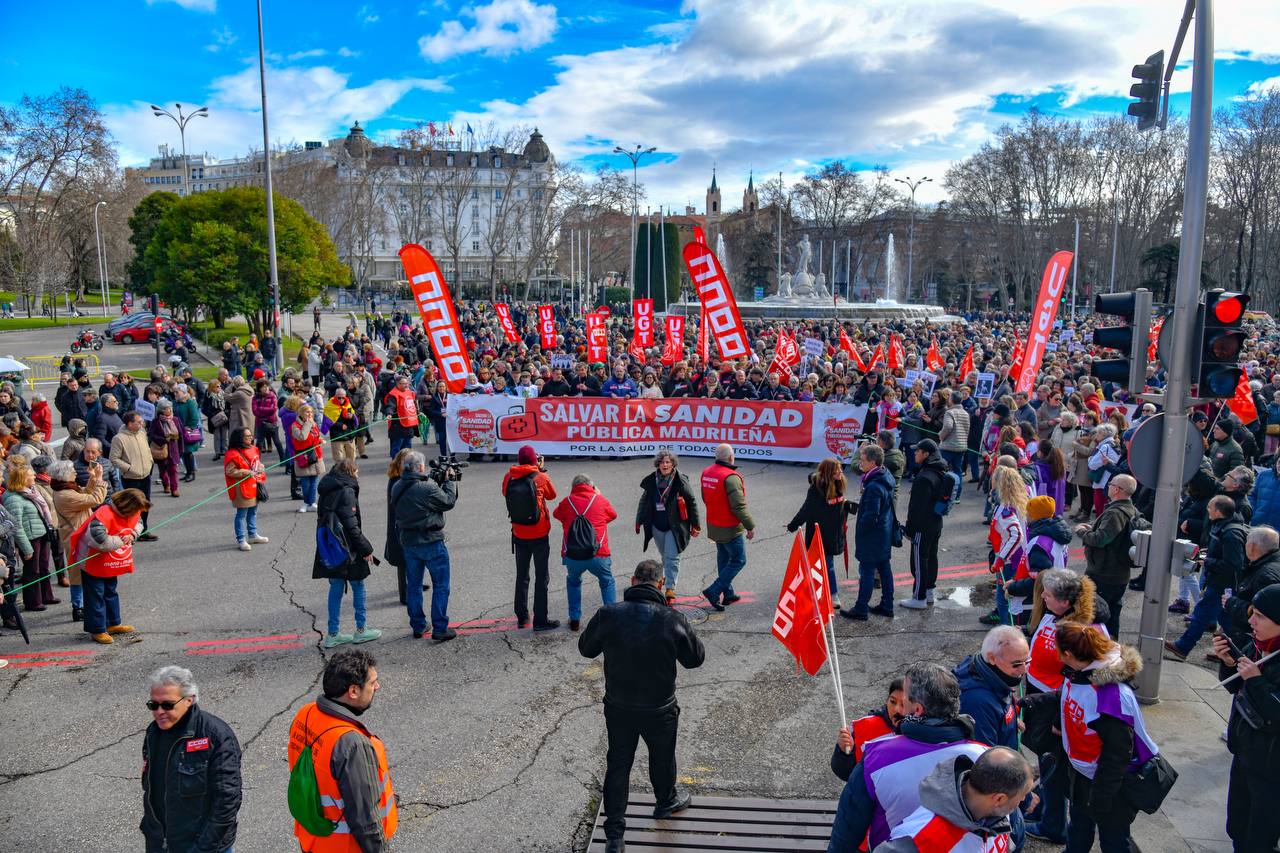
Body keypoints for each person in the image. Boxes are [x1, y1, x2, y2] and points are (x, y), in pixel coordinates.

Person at [578, 559, 706, 853]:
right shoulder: (671, 618)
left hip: (619, 705)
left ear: (633, 581)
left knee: (618, 764)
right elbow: (695, 659)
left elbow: (586, 649)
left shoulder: (608, 614)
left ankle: (614, 837)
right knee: (662, 757)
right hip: (659, 707)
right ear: (661, 585)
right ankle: (664, 802)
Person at [827, 662, 987, 853]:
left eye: (906, 700)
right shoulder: (986, 757)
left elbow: (848, 827)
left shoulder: (876, 758)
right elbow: (1010, 826)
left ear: (917, 710)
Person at [1045, 622, 1159, 853]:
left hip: (1109, 782)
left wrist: (1101, 796)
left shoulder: (1110, 697)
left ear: (1067, 655)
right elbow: (1069, 696)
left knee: (1114, 840)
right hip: (1085, 773)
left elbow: (1118, 754)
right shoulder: (1081, 672)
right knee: (1079, 826)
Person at [287, 649, 397, 853]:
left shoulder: (306, 713)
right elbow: (365, 821)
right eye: (372, 683)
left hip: (314, 839)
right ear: (353, 691)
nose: (377, 687)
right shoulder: (352, 744)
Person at [141, 665, 242, 853]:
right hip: (160, 843)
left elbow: (226, 802)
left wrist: (202, 849)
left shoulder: (216, 736)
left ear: (189, 700)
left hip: (203, 847)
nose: (159, 711)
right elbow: (151, 787)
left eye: (167, 705)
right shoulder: (153, 732)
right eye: (153, 705)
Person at [1212, 583, 1280, 853]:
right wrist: (1229, 663)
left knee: (1259, 838)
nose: (1251, 620)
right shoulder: (1258, 646)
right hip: (1245, 754)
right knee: (1237, 826)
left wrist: (1257, 681)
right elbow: (1235, 690)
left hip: (1272, 769)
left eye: (1261, 616)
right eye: (1253, 613)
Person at [875, 747, 1034, 853]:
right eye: (1022, 796)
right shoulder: (922, 839)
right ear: (999, 798)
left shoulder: (997, 813)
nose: (1022, 801)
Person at [1164, 494, 1248, 662]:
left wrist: (1207, 561)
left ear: (1218, 511)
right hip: (1221, 583)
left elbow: (1233, 565)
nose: (1207, 509)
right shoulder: (1224, 527)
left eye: (1210, 507)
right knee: (1226, 619)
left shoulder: (1231, 533)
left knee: (1201, 614)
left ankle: (1182, 647)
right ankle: (1233, 652)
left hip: (1222, 585)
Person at [391, 451, 458, 642]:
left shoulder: (397, 486)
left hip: (409, 542)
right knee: (441, 585)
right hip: (430, 541)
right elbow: (448, 501)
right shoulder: (425, 488)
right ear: (420, 467)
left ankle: (418, 625)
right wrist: (449, 481)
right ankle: (440, 627)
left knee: (413, 585)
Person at [313, 459, 381, 648]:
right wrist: (366, 549)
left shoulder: (327, 488)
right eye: (357, 471)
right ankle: (361, 629)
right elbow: (351, 524)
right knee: (358, 585)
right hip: (348, 548)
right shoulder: (347, 490)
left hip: (331, 545)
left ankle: (333, 633)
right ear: (351, 471)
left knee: (335, 588)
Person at [69, 488, 150, 644]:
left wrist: (133, 534)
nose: (137, 513)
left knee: (110, 590)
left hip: (108, 562)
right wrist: (123, 539)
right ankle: (97, 629)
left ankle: (113, 623)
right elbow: (102, 542)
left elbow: (139, 523)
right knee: (95, 594)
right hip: (92, 561)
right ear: (128, 505)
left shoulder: (132, 512)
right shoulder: (102, 515)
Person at [789, 457, 859, 613]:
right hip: (819, 534)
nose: (841, 472)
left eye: (841, 469)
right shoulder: (816, 489)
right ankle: (826, 594)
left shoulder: (839, 484)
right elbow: (806, 509)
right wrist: (793, 525)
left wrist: (847, 505)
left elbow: (838, 505)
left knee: (827, 565)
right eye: (837, 470)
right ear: (828, 472)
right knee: (821, 564)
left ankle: (830, 594)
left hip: (833, 534)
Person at [502, 445, 560, 630]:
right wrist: (540, 470)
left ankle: (522, 616)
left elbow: (505, 493)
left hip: (519, 532)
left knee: (522, 575)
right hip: (539, 532)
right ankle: (540, 619)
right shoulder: (541, 477)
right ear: (536, 460)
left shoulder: (509, 477)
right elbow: (552, 495)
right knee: (541, 576)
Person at [1075, 474, 1139, 638]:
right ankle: (1112, 651)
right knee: (1112, 614)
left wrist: (1083, 532)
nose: (1108, 486)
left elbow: (1100, 539)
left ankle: (1100, 652)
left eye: (1111, 484)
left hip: (1105, 573)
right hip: (1118, 573)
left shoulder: (1115, 513)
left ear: (1117, 489)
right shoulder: (1130, 509)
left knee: (1097, 616)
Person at [635, 448, 702, 604]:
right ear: (658, 464)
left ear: (672, 464)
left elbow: (691, 502)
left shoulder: (680, 481)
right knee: (665, 555)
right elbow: (644, 501)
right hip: (657, 525)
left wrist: (696, 524)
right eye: (662, 462)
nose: (664, 465)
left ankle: (670, 588)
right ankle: (664, 577)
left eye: (668, 462)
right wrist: (639, 520)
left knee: (672, 556)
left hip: (675, 526)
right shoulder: (652, 480)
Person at [553, 473, 619, 631]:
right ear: (592, 487)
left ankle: (575, 619)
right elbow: (613, 515)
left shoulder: (567, 502)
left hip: (573, 555)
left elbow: (557, 515)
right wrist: (599, 496)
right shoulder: (600, 500)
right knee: (606, 581)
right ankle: (611, 618)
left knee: (573, 581)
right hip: (598, 554)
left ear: (573, 488)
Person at [50, 459, 107, 623]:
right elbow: (95, 499)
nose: (75, 472)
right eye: (72, 471)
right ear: (64, 476)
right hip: (76, 537)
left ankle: (83, 603)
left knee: (82, 570)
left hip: (79, 534)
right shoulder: (65, 495)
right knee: (76, 573)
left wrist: (93, 478)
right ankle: (78, 606)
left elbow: (85, 493)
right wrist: (101, 479)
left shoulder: (66, 488)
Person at [700, 443, 755, 612]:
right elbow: (738, 506)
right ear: (731, 457)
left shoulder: (706, 473)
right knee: (739, 560)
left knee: (724, 558)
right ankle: (714, 590)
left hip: (714, 524)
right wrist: (750, 526)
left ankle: (728, 594)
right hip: (730, 527)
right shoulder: (731, 477)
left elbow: (705, 497)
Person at [843, 446, 896, 621]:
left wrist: (862, 531)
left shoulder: (873, 486)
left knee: (866, 571)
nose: (860, 463)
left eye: (863, 460)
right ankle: (887, 605)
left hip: (873, 536)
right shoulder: (885, 475)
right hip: (884, 532)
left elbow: (871, 515)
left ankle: (861, 608)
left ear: (873, 462)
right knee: (884, 568)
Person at [902, 439, 950, 609]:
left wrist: (909, 528)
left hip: (922, 526)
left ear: (926, 454)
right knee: (931, 557)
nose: (915, 453)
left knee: (919, 561)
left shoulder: (924, 477)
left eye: (918, 451)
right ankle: (928, 591)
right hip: (936, 522)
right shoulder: (940, 471)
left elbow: (916, 508)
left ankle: (919, 597)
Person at [831, 678, 906, 782]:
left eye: (904, 704)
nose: (896, 709)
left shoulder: (926, 732)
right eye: (892, 701)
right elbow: (847, 774)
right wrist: (845, 752)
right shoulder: (867, 727)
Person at [982, 466, 1030, 626]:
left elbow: (1016, 534)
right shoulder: (1019, 502)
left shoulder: (1005, 509)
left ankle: (1007, 637)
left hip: (1009, 562)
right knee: (1010, 599)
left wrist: (1001, 558)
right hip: (1018, 557)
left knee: (1004, 600)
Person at [1222, 526, 1280, 648]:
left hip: (1252, 641)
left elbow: (1265, 613)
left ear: (1252, 546)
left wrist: (1231, 602)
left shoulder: (1265, 575)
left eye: (1246, 542)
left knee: (1235, 665)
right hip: (1255, 639)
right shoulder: (1269, 564)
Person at [110, 411, 158, 541]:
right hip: (131, 478)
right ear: (130, 424)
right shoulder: (119, 438)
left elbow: (147, 450)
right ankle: (130, 532)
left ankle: (144, 530)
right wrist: (130, 468)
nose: (142, 424)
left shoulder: (142, 434)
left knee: (145, 504)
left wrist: (150, 461)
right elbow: (114, 458)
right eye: (138, 422)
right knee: (132, 506)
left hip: (146, 475)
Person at [222, 427, 268, 552]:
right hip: (240, 488)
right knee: (241, 514)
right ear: (239, 438)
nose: (250, 438)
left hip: (254, 485)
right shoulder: (232, 453)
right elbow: (230, 471)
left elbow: (257, 463)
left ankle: (253, 535)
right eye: (247, 436)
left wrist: (261, 468)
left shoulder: (254, 449)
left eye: (250, 435)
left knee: (253, 511)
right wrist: (247, 472)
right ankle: (241, 539)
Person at [291, 403, 325, 513]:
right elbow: (302, 437)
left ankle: (312, 503)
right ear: (301, 413)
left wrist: (320, 440)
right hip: (304, 457)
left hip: (315, 456)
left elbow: (316, 437)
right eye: (307, 412)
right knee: (305, 483)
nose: (310, 414)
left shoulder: (313, 424)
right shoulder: (295, 426)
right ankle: (306, 503)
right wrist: (307, 424)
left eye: (311, 412)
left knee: (314, 481)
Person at [148, 399, 183, 498]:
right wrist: (163, 439)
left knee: (173, 470)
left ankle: (174, 488)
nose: (170, 410)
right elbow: (151, 435)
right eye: (167, 409)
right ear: (161, 410)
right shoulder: (156, 421)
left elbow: (180, 435)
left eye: (170, 408)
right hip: (161, 450)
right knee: (162, 470)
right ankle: (166, 484)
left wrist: (181, 449)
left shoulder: (175, 420)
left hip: (173, 450)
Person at [382, 373, 419, 457]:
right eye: (404, 384)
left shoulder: (410, 392)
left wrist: (418, 412)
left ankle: (407, 464)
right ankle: (396, 466)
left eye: (407, 383)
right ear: (398, 384)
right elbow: (390, 406)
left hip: (409, 424)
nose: (406, 385)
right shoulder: (393, 394)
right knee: (396, 448)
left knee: (408, 447)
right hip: (398, 425)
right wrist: (389, 414)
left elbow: (413, 405)